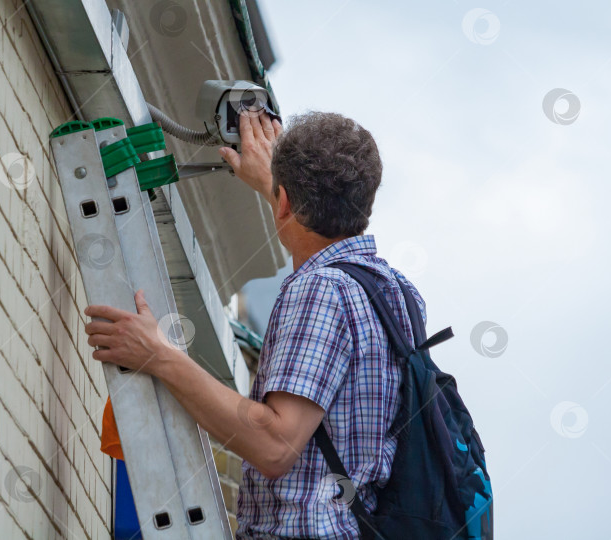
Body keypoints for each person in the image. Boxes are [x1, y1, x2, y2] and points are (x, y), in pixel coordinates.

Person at [84, 110, 425, 539]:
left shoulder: (321, 290)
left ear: (284, 202)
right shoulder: (398, 295)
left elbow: (275, 446)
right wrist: (277, 187)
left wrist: (159, 357)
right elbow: (319, 236)